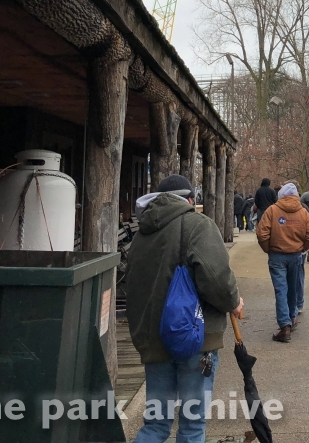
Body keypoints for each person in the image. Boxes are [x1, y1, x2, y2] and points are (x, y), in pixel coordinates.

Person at [124, 174, 243, 443]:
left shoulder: (142, 233)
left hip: (154, 339)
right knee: (191, 425)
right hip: (195, 338)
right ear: (190, 199)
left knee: (155, 424)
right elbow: (216, 279)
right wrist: (234, 302)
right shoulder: (198, 225)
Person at [257, 182, 309, 343]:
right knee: (293, 287)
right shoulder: (303, 213)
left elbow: (262, 234)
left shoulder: (272, 211)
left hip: (277, 255)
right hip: (296, 255)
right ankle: (292, 316)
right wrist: (302, 248)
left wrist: (268, 249)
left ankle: (284, 325)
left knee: (281, 289)